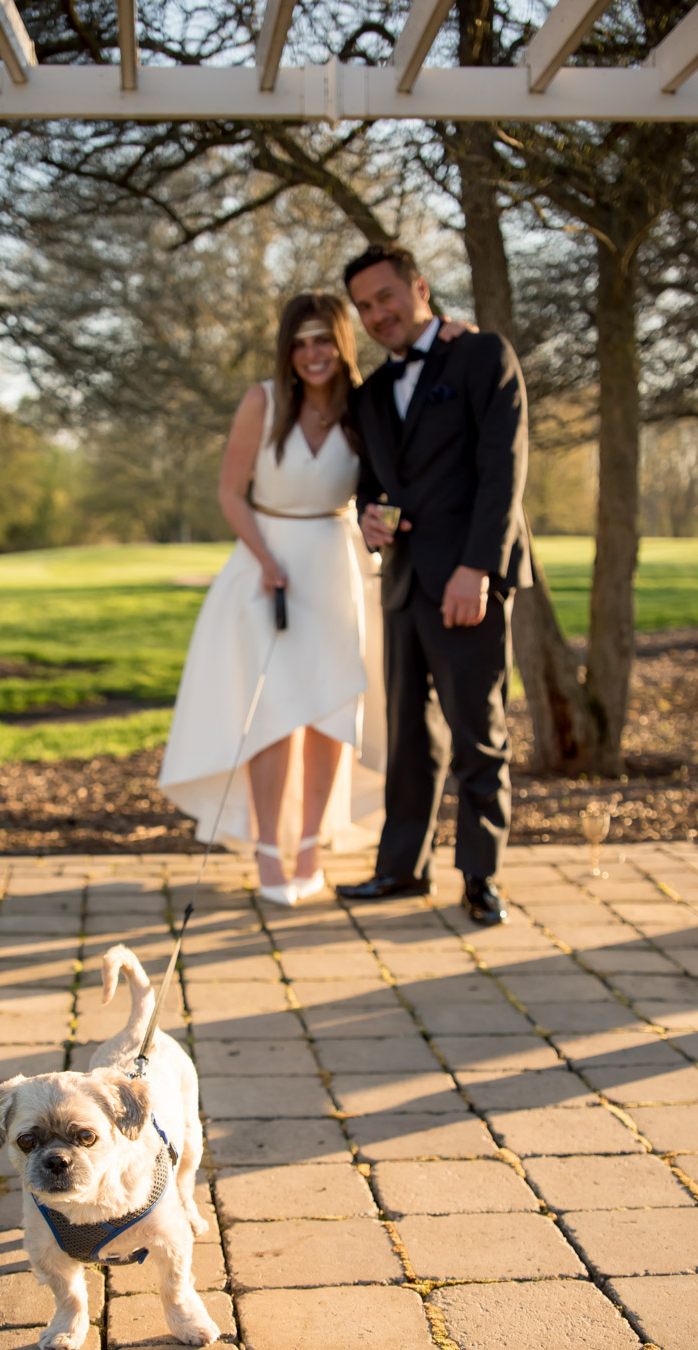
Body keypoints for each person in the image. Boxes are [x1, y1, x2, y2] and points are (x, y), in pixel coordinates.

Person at [159, 292, 468, 906]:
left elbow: (389, 481)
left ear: (341, 341)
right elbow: (230, 493)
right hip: (266, 566)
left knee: (330, 713)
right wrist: (266, 560)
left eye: (322, 339)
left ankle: (309, 847)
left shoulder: (366, 402)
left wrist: (459, 333)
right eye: (299, 343)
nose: (311, 354)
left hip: (337, 565)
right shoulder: (263, 401)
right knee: (271, 717)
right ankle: (269, 850)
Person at [335, 243, 533, 926]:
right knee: (408, 738)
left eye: (385, 297)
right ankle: (400, 870)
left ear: (419, 288)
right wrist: (372, 516)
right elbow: (376, 484)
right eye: (364, 307)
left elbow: (502, 468)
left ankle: (480, 877)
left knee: (477, 732)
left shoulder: (481, 356)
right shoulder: (368, 394)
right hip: (402, 582)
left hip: (467, 579)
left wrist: (477, 569)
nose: (376, 314)